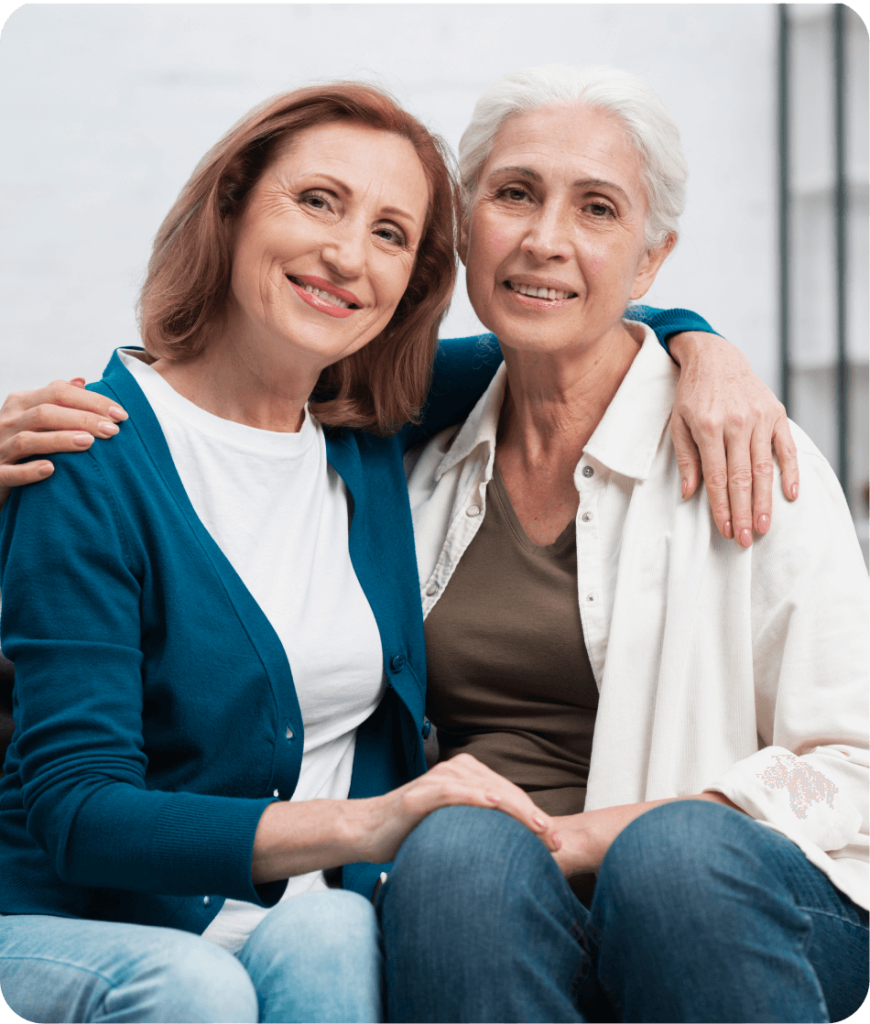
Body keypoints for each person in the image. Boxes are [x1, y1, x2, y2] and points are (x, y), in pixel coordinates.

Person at [0, 78, 801, 1024]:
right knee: (196, 987)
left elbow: (567, 323)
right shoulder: (87, 457)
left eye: (391, 234)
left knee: (340, 932)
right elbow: (79, 812)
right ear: (230, 205)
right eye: (317, 201)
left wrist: (706, 351)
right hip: (100, 926)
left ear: (413, 278)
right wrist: (371, 822)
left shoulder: (372, 427)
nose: (347, 256)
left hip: (305, 925)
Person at [380, 66, 870, 1024]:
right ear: (466, 225)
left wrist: (594, 836)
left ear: (650, 263)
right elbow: (235, 393)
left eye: (597, 208)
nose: (544, 239)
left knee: (673, 859)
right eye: (514, 193)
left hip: (741, 904)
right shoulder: (410, 455)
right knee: (449, 851)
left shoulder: (746, 447)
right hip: (496, 906)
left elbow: (855, 762)